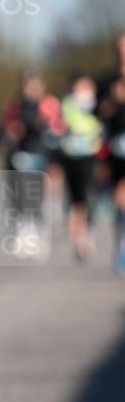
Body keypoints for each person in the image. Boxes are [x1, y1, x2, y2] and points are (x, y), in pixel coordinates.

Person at [0, 71, 60, 259]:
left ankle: (39, 237)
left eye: (35, 85)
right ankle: (22, 234)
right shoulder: (14, 106)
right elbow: (4, 130)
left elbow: (54, 130)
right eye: (28, 85)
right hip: (18, 157)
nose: (32, 90)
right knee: (19, 198)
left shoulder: (49, 105)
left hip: (40, 156)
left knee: (36, 198)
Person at [58, 74, 103, 261]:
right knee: (74, 198)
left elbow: (98, 128)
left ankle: (87, 233)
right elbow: (62, 126)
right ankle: (79, 237)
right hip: (70, 157)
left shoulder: (99, 106)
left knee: (87, 195)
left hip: (90, 157)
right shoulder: (66, 105)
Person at [96, 33, 125, 274]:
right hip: (116, 150)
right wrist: (114, 101)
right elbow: (97, 116)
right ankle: (121, 247)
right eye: (121, 49)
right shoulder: (107, 82)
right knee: (121, 200)